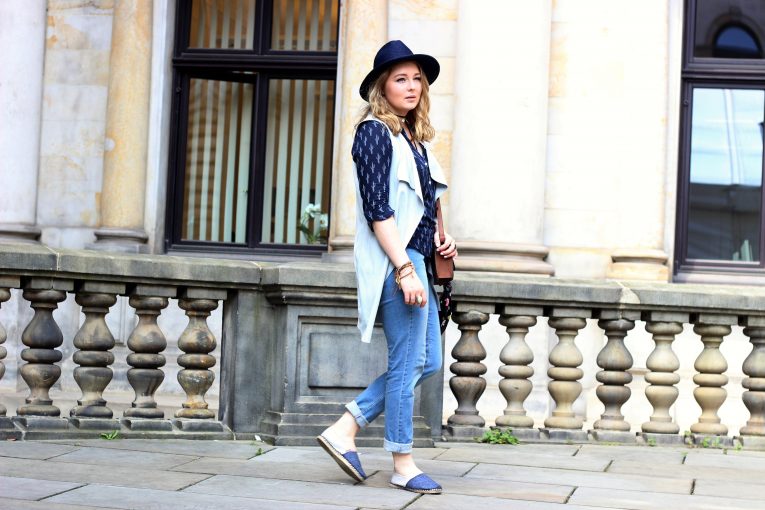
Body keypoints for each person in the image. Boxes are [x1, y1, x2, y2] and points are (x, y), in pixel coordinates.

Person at [316, 40, 457, 495]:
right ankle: (403, 462)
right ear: (383, 86)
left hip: (418, 258)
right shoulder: (374, 133)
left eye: (417, 79)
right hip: (399, 262)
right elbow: (379, 210)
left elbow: (423, 205)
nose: (412, 86)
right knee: (406, 361)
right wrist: (404, 268)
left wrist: (441, 239)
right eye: (401, 79)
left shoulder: (413, 138)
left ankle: (346, 427)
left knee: (427, 360)